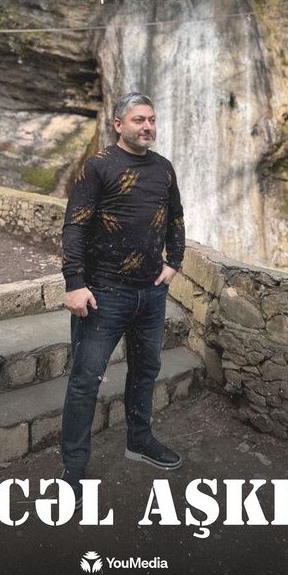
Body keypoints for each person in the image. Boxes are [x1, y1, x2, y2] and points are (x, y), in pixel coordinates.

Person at [60, 92, 186, 509]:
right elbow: (75, 227)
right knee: (85, 381)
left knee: (146, 369)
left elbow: (176, 217)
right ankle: (74, 469)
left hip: (151, 292)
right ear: (119, 125)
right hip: (103, 293)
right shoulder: (97, 166)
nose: (147, 126)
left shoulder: (163, 168)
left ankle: (140, 439)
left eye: (151, 119)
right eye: (138, 120)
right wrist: (75, 283)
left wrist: (175, 262)